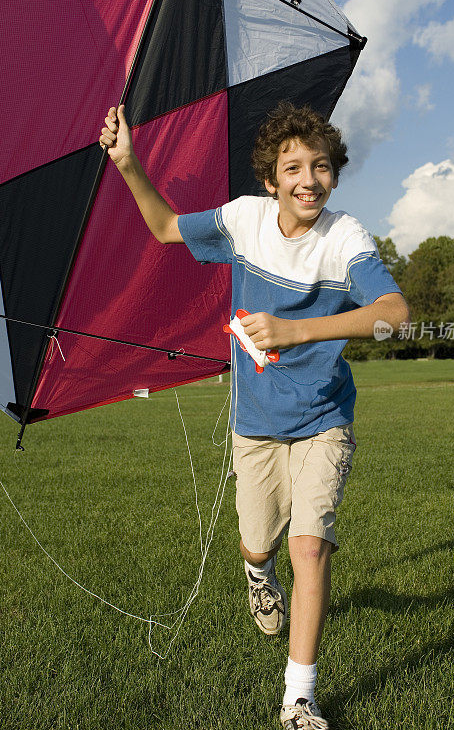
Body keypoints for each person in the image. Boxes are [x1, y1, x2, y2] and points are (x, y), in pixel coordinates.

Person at [99, 102, 409, 730]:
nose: (309, 180)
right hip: (257, 423)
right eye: (293, 167)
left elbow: (395, 315)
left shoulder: (345, 236)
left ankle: (298, 699)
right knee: (259, 539)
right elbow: (164, 229)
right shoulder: (242, 221)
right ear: (270, 179)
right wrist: (129, 164)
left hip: (325, 416)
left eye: (321, 166)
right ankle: (255, 573)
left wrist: (296, 331)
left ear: (334, 175)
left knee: (310, 545)